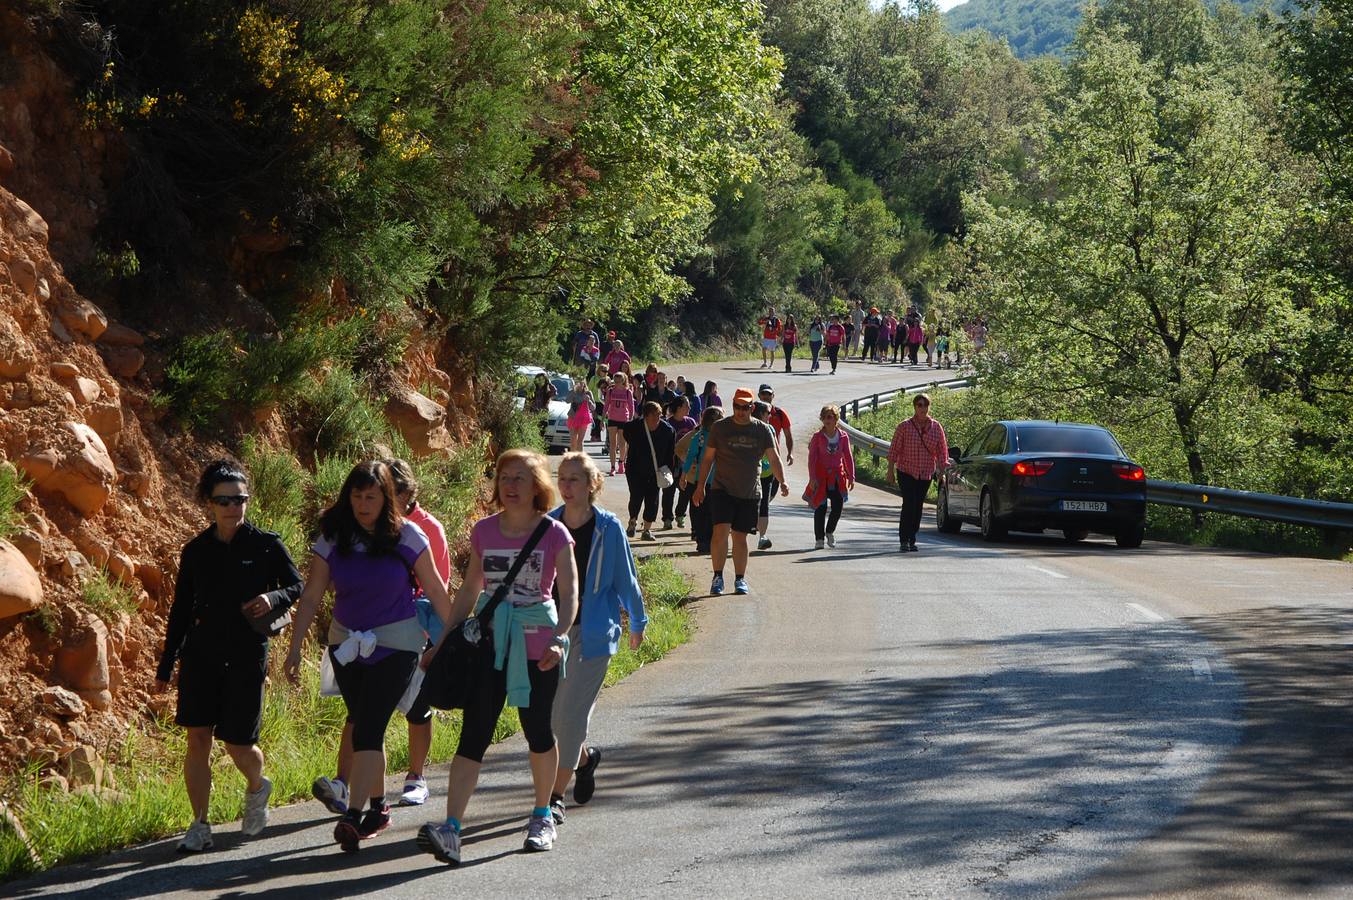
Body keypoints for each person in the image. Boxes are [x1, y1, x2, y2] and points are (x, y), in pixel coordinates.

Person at [417, 449, 578, 864]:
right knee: (474, 733)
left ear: (537, 486)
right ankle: (451, 828)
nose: (510, 486)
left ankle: (542, 815)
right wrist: (443, 641)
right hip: (489, 645)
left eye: (520, 478)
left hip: (538, 644)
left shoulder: (554, 533)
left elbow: (569, 593)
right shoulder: (484, 531)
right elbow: (470, 591)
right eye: (504, 477)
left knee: (538, 731)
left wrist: (560, 638)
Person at [284, 461, 452, 853]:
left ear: (386, 499)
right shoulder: (333, 535)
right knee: (362, 722)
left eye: (371, 497)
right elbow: (311, 596)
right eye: (357, 496)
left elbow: (438, 591)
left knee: (368, 727)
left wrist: (452, 640)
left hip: (398, 643)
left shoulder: (407, 535)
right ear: (348, 498)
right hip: (346, 644)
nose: (363, 504)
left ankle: (353, 815)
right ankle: (378, 807)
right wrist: (294, 649)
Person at [156, 460, 304, 853]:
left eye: (239, 499)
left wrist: (272, 597)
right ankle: (199, 825)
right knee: (198, 738)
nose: (232, 507)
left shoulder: (267, 545)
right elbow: (181, 611)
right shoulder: (196, 551)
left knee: (238, 744)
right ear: (209, 502)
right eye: (223, 500)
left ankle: (257, 787)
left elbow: (297, 584)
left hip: (246, 654)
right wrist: (166, 665)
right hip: (201, 654)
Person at [547, 453, 647, 822]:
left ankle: (553, 798)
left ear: (592, 485)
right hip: (554, 631)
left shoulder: (608, 527)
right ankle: (585, 760)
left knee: (571, 717)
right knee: (555, 718)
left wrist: (638, 621)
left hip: (594, 632)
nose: (566, 486)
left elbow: (626, 579)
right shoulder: (549, 524)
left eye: (574, 479)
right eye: (562, 478)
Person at [692, 387, 787, 596]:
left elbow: (774, 458)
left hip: (749, 491)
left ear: (752, 407)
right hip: (721, 489)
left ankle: (739, 579)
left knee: (740, 537)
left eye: (745, 407)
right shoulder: (720, 428)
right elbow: (707, 459)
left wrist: (783, 481)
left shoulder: (762, 430)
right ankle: (717, 576)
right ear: (732, 405)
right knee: (720, 532)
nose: (740, 411)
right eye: (737, 406)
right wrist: (700, 486)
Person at [886, 393, 950, 553]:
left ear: (929, 407)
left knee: (918, 506)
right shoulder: (904, 426)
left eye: (925, 405)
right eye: (919, 405)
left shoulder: (936, 427)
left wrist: (942, 471)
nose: (923, 408)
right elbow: (894, 450)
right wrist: (890, 471)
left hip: (926, 472)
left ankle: (912, 538)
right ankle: (904, 540)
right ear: (914, 407)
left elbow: (942, 451)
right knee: (909, 504)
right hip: (906, 470)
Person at [621, 401, 676, 542]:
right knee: (636, 496)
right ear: (645, 416)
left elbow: (671, 453)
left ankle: (646, 530)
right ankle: (632, 522)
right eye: (653, 416)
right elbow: (625, 431)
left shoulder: (667, 430)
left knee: (652, 500)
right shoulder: (635, 427)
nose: (656, 419)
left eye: (658, 415)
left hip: (655, 472)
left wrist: (670, 469)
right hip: (635, 470)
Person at [806, 407, 855, 550]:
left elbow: (847, 457)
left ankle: (829, 531)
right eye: (825, 417)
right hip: (820, 477)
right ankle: (819, 539)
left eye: (831, 417)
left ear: (836, 419)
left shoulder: (843, 436)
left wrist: (851, 476)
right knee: (820, 508)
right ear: (822, 419)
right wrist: (812, 477)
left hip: (837, 477)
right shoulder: (817, 437)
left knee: (838, 506)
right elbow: (812, 458)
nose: (828, 420)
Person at [681, 406, 724, 554]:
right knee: (706, 512)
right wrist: (683, 476)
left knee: (703, 512)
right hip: (705, 482)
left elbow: (689, 457)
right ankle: (704, 541)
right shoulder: (701, 437)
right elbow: (690, 457)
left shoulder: (700, 436)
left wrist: (683, 476)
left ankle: (704, 541)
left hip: (710, 481)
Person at [661, 396, 697, 530]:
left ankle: (680, 514)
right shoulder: (667, 423)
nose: (689, 408)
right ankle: (667, 518)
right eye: (687, 405)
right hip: (671, 464)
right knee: (668, 492)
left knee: (686, 491)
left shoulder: (691, 422)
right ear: (679, 408)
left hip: (687, 464)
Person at [604, 372, 635, 476]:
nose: (617, 382)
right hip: (612, 418)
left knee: (622, 444)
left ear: (623, 380)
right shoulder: (611, 391)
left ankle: (621, 462)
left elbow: (631, 407)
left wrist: (631, 420)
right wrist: (603, 419)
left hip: (623, 420)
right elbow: (606, 404)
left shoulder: (628, 392)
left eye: (619, 380)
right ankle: (612, 467)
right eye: (615, 380)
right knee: (613, 444)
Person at [565, 378, 594, 453]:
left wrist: (589, 401)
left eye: (581, 383)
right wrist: (572, 392)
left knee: (580, 441)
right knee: (573, 441)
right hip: (573, 417)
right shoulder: (572, 392)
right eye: (578, 383)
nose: (580, 385)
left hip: (583, 419)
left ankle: (580, 459)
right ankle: (572, 458)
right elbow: (567, 401)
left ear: (584, 384)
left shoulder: (588, 393)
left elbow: (593, 407)